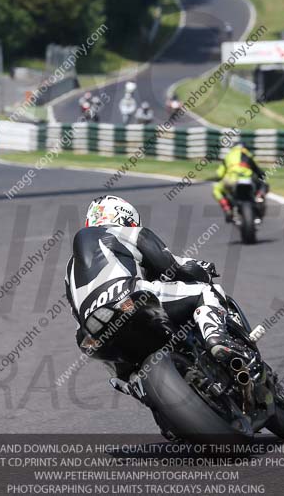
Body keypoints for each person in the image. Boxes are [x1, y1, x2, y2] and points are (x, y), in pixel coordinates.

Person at [64, 195, 244, 387]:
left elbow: (76, 315)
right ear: (126, 219)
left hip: (90, 336)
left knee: (128, 373)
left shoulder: (70, 269)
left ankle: (132, 385)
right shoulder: (120, 231)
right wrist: (201, 269)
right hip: (129, 298)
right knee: (207, 291)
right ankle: (216, 338)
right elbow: (168, 264)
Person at [212, 143, 269, 222]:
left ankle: (227, 209)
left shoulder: (228, 155)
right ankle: (259, 198)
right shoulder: (248, 154)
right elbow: (257, 169)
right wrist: (262, 175)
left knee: (216, 189)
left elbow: (219, 174)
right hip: (248, 178)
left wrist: (217, 178)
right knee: (263, 185)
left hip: (232, 179)